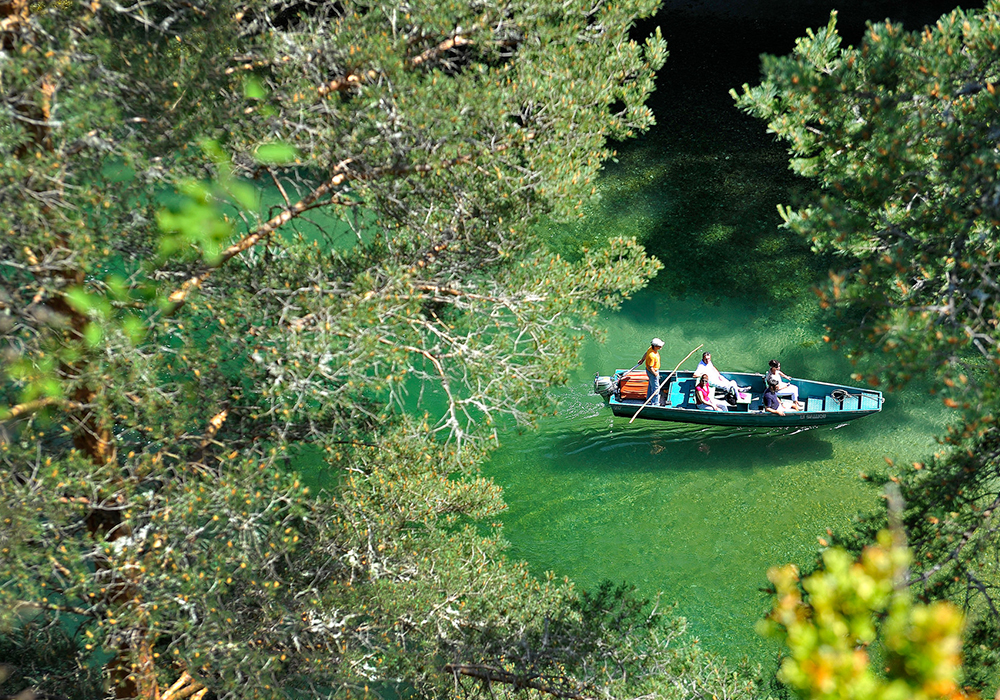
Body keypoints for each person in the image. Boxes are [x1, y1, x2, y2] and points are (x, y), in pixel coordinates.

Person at [639, 338, 664, 405]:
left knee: (651, 385)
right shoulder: (652, 356)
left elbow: (646, 353)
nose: (661, 347)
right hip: (652, 372)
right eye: (660, 346)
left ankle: (649, 397)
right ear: (655, 346)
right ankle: (655, 403)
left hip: (652, 371)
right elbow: (650, 367)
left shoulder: (650, 348)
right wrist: (655, 374)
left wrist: (642, 360)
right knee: (656, 389)